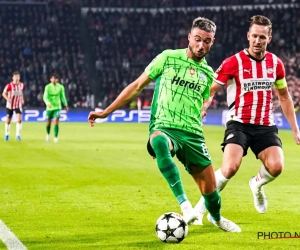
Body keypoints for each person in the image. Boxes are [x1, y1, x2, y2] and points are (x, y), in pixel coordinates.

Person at [88, 17, 241, 232]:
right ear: (189, 37)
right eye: (197, 39)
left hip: (193, 134)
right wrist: (106, 112)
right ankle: (186, 207)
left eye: (206, 41)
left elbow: (204, 97)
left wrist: (203, 107)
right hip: (165, 125)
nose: (200, 45)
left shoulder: (208, 73)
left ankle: (215, 218)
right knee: (159, 141)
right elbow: (137, 86)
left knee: (211, 193)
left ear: (212, 42)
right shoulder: (167, 58)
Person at [193, 15, 300, 224]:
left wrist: (295, 129)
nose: (257, 41)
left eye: (262, 37)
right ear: (248, 36)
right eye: (254, 36)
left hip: (265, 125)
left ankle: (257, 184)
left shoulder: (276, 64)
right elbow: (211, 90)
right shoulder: (233, 62)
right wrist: (202, 107)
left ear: (269, 38)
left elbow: (284, 96)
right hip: (239, 123)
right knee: (230, 168)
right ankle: (199, 210)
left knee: (276, 167)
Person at [43, 73, 68, 143]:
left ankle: (56, 137)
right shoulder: (47, 87)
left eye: (55, 79)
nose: (54, 80)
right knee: (48, 122)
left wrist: (65, 105)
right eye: (52, 78)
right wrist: (47, 103)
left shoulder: (60, 87)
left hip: (57, 107)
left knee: (56, 121)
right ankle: (48, 135)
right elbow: (45, 97)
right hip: (49, 107)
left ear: (57, 80)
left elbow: (62, 97)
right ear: (50, 79)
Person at [2, 71, 24, 141]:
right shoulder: (9, 85)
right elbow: (3, 93)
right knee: (8, 120)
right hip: (10, 105)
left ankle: (17, 135)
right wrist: (7, 98)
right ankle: (7, 134)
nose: (17, 78)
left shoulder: (21, 85)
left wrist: (22, 99)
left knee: (19, 120)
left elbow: (21, 92)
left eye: (18, 76)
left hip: (18, 104)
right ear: (13, 78)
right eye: (15, 77)